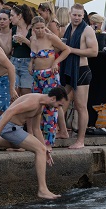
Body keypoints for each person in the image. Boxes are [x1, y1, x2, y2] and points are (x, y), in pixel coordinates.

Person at [0, 88, 68, 200]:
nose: (58, 108)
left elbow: (36, 129)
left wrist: (46, 149)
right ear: (53, 98)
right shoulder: (33, 102)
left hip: (15, 128)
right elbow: (10, 111)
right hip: (8, 127)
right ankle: (42, 189)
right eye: (59, 105)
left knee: (22, 145)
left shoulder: (40, 105)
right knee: (39, 150)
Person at [28, 16, 70, 147]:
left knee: (50, 108)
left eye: (42, 28)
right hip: (37, 76)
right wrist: (31, 63)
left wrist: (56, 62)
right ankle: (38, 137)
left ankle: (49, 141)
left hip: (49, 76)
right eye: (37, 28)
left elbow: (67, 49)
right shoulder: (32, 39)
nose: (40, 31)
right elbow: (34, 54)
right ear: (32, 28)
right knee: (36, 106)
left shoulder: (50, 37)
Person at [62, 4, 99, 149]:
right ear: (70, 14)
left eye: (79, 15)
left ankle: (80, 140)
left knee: (80, 106)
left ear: (83, 16)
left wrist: (72, 50)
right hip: (69, 69)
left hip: (82, 70)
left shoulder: (87, 30)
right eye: (74, 15)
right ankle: (63, 131)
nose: (76, 18)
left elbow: (94, 52)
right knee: (61, 101)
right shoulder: (68, 28)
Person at [10, 5, 34, 97]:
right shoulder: (14, 29)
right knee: (14, 93)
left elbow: (37, 49)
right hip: (14, 61)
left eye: (12, 15)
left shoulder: (32, 29)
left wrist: (25, 40)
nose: (10, 18)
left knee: (26, 94)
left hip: (27, 63)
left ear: (19, 16)